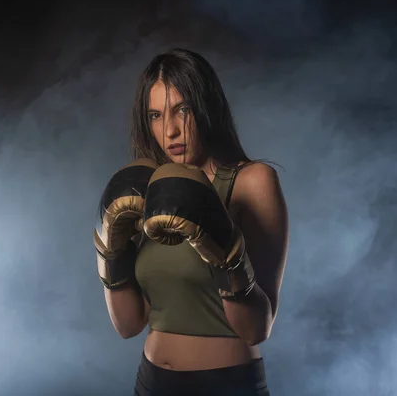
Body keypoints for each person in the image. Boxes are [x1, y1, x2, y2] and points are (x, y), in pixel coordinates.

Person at [93, 48, 289, 396]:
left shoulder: (252, 182)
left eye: (182, 109)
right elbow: (128, 324)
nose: (169, 130)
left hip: (228, 385)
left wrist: (226, 255)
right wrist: (111, 252)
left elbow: (257, 329)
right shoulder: (150, 188)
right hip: (152, 382)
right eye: (155, 115)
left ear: (206, 106)